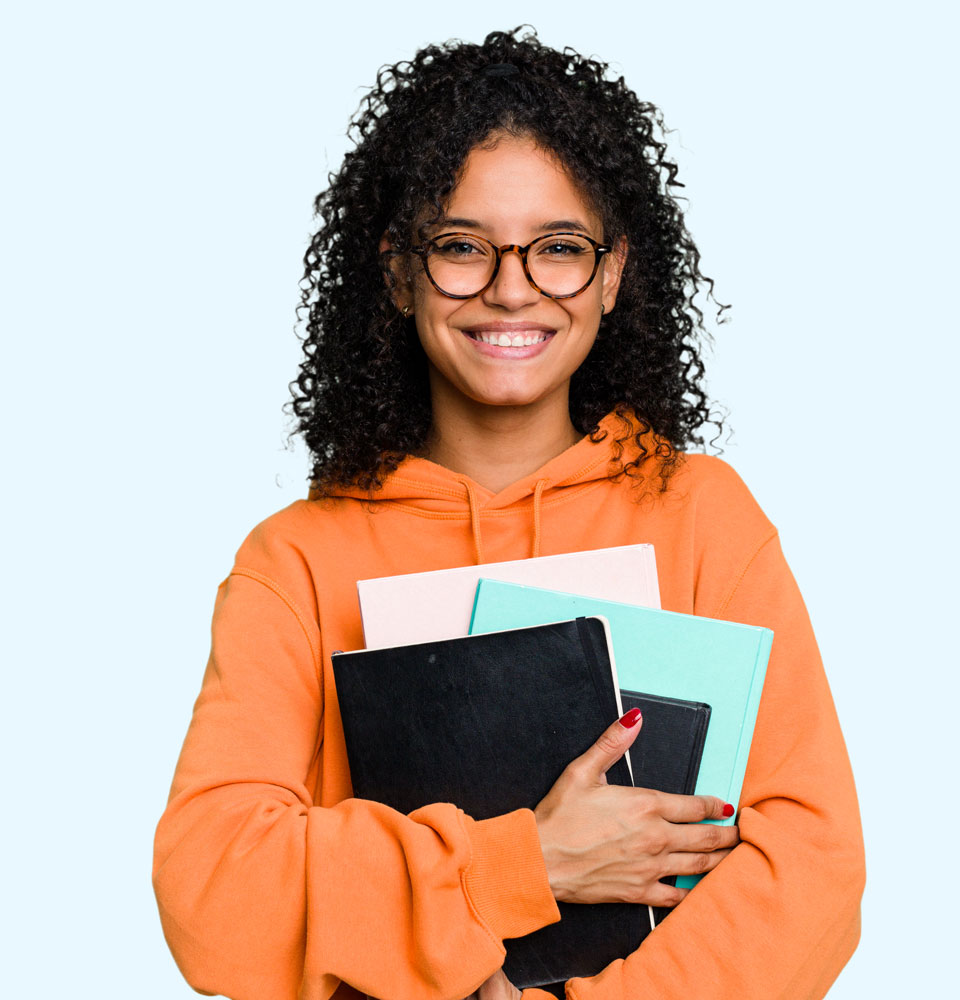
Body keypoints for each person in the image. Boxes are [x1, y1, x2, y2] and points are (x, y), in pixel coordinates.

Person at [153, 26, 865, 1000]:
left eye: (558, 248)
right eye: (461, 247)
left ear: (612, 272)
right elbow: (213, 892)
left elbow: (811, 873)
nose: (510, 288)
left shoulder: (704, 520)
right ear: (400, 270)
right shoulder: (298, 561)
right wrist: (525, 861)